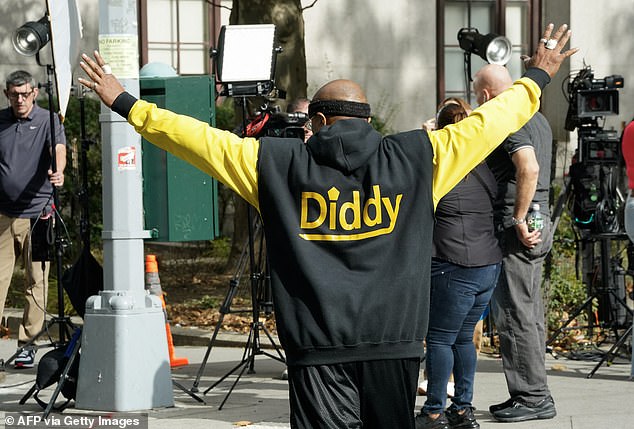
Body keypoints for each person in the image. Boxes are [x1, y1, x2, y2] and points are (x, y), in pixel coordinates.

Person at [79, 23, 575, 428]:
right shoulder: (422, 157)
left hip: (317, 351)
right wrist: (535, 76)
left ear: (315, 121)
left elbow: (198, 140)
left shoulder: (274, 165)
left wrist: (127, 104)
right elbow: (491, 122)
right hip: (395, 348)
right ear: (368, 120)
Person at [473, 63, 556, 423]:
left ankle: (533, 397)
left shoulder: (509, 117)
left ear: (488, 94)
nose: (478, 101)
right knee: (529, 310)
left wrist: (519, 218)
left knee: (515, 312)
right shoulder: (536, 115)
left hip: (517, 225)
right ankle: (533, 392)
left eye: (478, 95)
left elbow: (529, 167)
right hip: (540, 217)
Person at [415, 102, 502, 429]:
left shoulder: (441, 164)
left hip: (453, 263)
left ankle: (434, 412)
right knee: (463, 338)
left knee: (439, 339)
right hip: (488, 265)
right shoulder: (481, 163)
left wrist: (429, 140)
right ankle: (463, 410)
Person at [0, 70, 67, 368]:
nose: (20, 100)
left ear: (35, 93)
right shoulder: (0, 121)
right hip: (2, 215)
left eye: (25, 94)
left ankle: (28, 343)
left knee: (36, 280)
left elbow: (59, 148)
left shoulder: (48, 120)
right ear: (6, 95)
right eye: (14, 95)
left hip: (40, 214)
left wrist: (59, 169)